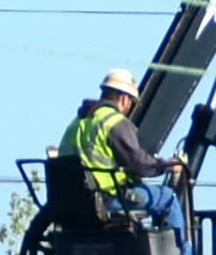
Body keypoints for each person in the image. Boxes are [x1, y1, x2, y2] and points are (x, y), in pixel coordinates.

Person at [61, 69, 184, 228]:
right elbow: (140, 166)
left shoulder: (77, 123)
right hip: (107, 199)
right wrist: (167, 166)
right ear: (125, 99)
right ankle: (184, 253)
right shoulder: (114, 122)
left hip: (73, 202)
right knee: (168, 198)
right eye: (132, 102)